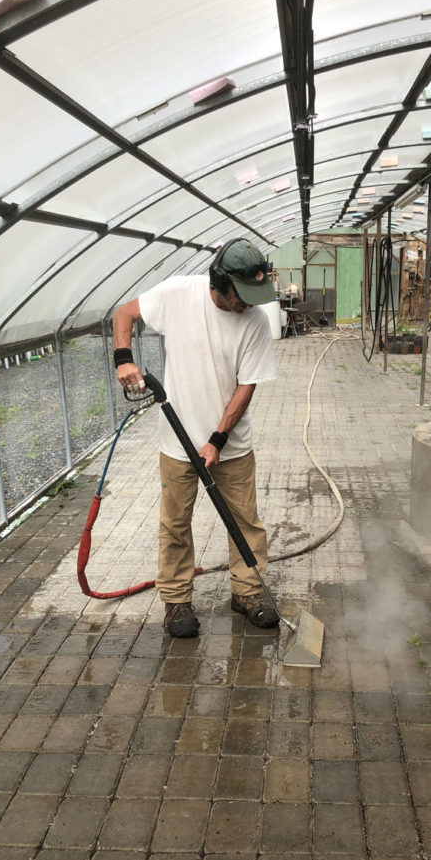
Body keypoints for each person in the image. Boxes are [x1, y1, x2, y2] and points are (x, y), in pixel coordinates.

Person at [112, 238, 279, 638]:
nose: (250, 304)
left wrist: (217, 440)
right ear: (219, 282)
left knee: (244, 521)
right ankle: (176, 601)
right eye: (242, 295)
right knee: (175, 523)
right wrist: (123, 358)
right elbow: (124, 314)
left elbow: (246, 385)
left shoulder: (256, 321)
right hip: (176, 442)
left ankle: (248, 591)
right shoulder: (176, 295)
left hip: (232, 444)